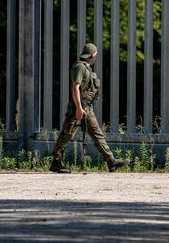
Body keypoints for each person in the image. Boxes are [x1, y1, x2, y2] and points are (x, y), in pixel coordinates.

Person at [50, 43, 129, 173]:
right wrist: (78, 108)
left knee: (98, 135)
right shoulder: (80, 67)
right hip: (78, 109)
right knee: (66, 134)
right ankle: (56, 163)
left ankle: (111, 161)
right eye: (95, 55)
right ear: (92, 55)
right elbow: (75, 87)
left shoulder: (87, 68)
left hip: (87, 108)